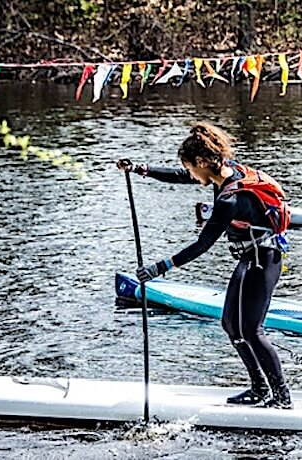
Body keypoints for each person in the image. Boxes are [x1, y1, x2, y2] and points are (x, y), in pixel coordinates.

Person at [116, 122, 291, 408]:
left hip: (264, 260)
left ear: (201, 162)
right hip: (251, 258)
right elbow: (179, 176)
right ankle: (259, 388)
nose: (193, 176)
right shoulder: (224, 171)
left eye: (192, 169)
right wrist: (140, 169)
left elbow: (203, 244)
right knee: (230, 325)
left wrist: (159, 268)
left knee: (252, 330)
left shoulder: (230, 199)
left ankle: (282, 397)